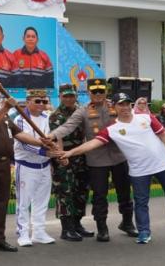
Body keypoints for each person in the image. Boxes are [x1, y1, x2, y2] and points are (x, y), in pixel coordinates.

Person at [60, 92, 165, 244]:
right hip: (139, 171)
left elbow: (164, 136)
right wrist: (69, 152)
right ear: (113, 107)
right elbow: (92, 144)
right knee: (141, 202)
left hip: (163, 165)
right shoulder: (112, 129)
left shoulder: (147, 118)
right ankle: (144, 231)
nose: (125, 107)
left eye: (127, 104)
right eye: (120, 104)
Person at [0, 84, 55, 257]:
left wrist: (41, 142)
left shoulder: (3, 115)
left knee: (1, 204)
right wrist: (4, 108)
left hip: (3, 164)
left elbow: (18, 134)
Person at [48, 78, 137, 242]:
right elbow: (68, 126)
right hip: (97, 160)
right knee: (99, 195)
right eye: (94, 91)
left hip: (119, 157)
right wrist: (53, 135)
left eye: (101, 91)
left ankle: (127, 223)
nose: (98, 94)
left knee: (124, 192)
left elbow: (132, 118)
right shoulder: (82, 111)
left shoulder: (116, 105)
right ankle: (102, 228)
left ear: (106, 92)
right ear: (88, 93)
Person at [49, 84, 93, 242]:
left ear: (76, 96)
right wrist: (61, 157)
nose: (68, 99)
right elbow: (57, 138)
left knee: (81, 191)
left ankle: (77, 224)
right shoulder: (56, 116)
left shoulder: (82, 111)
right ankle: (66, 228)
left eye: (71, 96)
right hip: (64, 157)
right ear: (60, 96)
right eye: (65, 96)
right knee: (65, 192)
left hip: (81, 155)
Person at [14, 89, 58, 246]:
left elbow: (55, 137)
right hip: (26, 166)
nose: (41, 104)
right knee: (23, 202)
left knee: (42, 201)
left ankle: (39, 232)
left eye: (44, 101)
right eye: (37, 101)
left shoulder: (48, 118)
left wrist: (52, 156)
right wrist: (44, 151)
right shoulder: (20, 119)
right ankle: (23, 233)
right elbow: (23, 143)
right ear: (28, 102)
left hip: (44, 166)